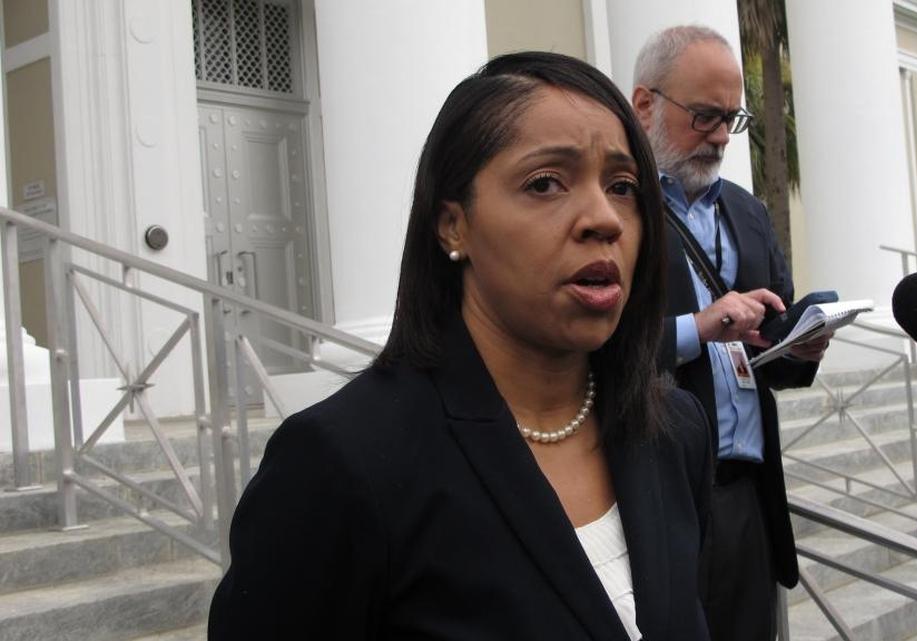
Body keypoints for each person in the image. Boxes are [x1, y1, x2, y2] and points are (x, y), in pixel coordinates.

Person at [207, 51, 713, 641]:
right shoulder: (343, 462)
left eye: (623, 186)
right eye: (546, 183)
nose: (605, 219)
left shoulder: (675, 432)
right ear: (454, 224)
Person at [631, 25, 831, 641]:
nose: (720, 135)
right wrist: (698, 328)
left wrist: (801, 345)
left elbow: (769, 345)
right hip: (655, 494)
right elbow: (592, 349)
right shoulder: (615, 205)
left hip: (746, 494)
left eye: (731, 118)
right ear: (645, 105)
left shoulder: (747, 211)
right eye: (704, 115)